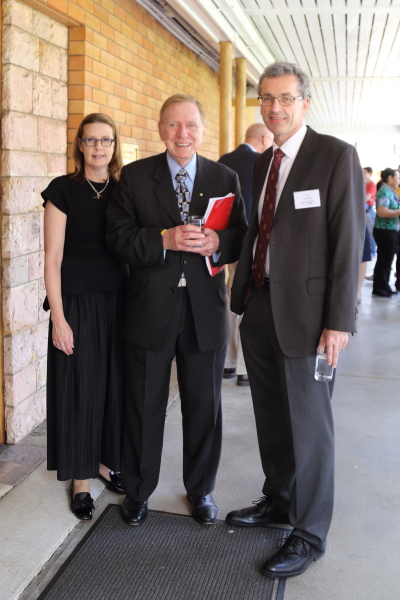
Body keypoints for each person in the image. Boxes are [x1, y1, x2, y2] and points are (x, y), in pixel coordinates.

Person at [227, 61, 365, 578]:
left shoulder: (335, 156)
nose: (275, 107)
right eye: (266, 99)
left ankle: (308, 534)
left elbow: (347, 243)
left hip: (310, 320)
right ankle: (279, 500)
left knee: (310, 428)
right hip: (261, 308)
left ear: (304, 103)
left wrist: (338, 321)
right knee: (271, 417)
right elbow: (256, 232)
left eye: (285, 98)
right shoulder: (263, 163)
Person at [106, 94, 247, 527]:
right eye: (173, 125)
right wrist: (162, 241)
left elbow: (241, 234)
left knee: (204, 406)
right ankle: (138, 490)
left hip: (204, 311)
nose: (181, 134)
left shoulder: (224, 177)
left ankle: (201, 490)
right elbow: (117, 236)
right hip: (150, 310)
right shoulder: (133, 177)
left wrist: (219, 243)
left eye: (190, 125)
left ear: (202, 130)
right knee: (143, 406)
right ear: (161, 129)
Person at [42, 113, 128, 521]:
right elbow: (52, 258)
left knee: (112, 387)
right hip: (74, 304)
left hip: (119, 302)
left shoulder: (125, 190)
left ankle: (101, 462)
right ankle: (80, 480)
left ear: (114, 145)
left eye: (106, 141)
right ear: (79, 145)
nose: (98, 148)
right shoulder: (63, 190)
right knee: (79, 388)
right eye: (91, 140)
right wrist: (58, 318)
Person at [219, 123, 273, 386]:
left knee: (231, 296)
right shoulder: (265, 161)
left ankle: (227, 362)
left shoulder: (222, 161)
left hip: (226, 243)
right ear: (265, 139)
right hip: (254, 245)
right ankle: (243, 368)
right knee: (248, 301)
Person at [372, 168, 400, 297]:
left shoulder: (390, 191)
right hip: (385, 231)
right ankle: (379, 288)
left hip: (391, 230)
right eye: (397, 178)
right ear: (390, 178)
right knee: (384, 260)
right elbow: (382, 212)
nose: (399, 181)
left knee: (388, 261)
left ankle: (385, 285)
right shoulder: (384, 192)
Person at [363, 166, 377, 260]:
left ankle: (372, 251)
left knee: (370, 232)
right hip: (363, 209)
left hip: (368, 210)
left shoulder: (372, 184)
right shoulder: (363, 184)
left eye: (364, 172)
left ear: (370, 173)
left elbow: (366, 198)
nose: (363, 174)